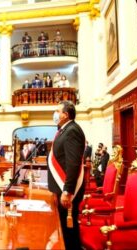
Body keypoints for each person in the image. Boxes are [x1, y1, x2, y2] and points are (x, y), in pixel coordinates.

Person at [47, 100, 85, 250]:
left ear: (65, 115)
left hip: (67, 190)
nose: (55, 114)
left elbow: (73, 163)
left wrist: (67, 190)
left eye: (58, 111)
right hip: (61, 187)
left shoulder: (72, 131)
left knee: (69, 230)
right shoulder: (64, 130)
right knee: (63, 227)